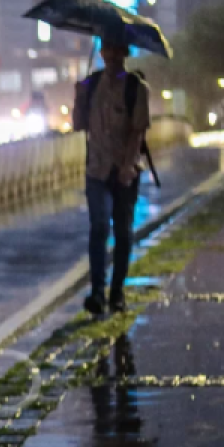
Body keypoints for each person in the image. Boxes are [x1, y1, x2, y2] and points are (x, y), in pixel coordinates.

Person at [73, 35, 150, 316]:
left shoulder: (135, 88)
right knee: (98, 227)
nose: (112, 55)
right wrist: (79, 98)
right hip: (96, 170)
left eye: (117, 50)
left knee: (123, 232)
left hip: (124, 171)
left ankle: (117, 292)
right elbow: (78, 125)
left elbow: (138, 131)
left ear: (124, 52)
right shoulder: (91, 85)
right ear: (102, 52)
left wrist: (129, 166)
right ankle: (97, 292)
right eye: (107, 49)